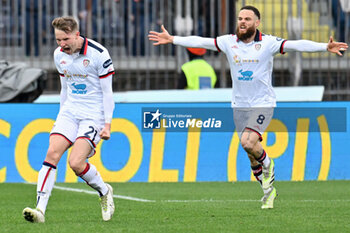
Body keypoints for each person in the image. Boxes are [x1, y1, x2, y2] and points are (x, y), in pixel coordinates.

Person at [149, 5, 348, 209]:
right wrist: (173, 39)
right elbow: (201, 42)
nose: (242, 22)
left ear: (257, 23)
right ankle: (268, 191)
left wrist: (325, 46)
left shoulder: (268, 43)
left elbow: (297, 45)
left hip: (263, 103)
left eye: (247, 19)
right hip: (240, 106)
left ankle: (269, 166)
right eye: (240, 18)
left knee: (247, 142)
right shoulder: (229, 42)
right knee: (252, 155)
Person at [23, 16, 116, 222]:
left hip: (93, 115)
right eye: (58, 40)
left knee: (75, 163)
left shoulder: (98, 55)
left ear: (76, 34)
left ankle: (103, 190)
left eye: (65, 39)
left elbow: (108, 93)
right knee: (52, 153)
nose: (62, 44)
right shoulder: (59, 55)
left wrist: (107, 124)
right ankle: (40, 210)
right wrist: (61, 115)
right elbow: (65, 88)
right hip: (70, 111)